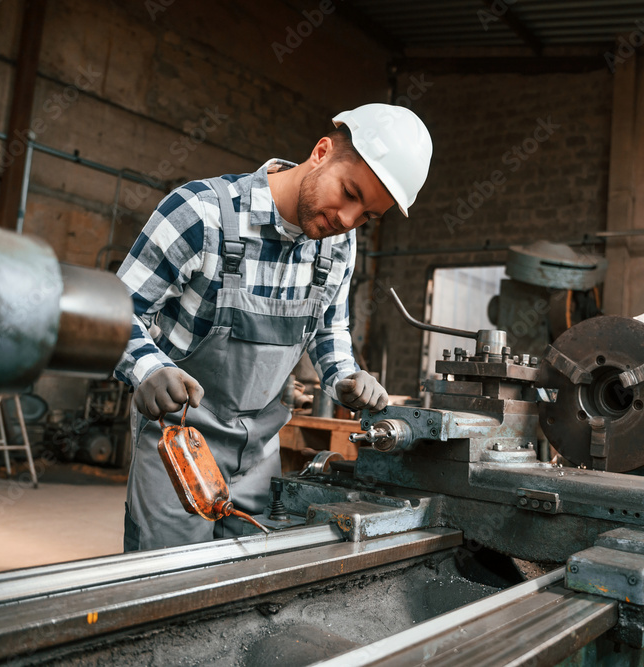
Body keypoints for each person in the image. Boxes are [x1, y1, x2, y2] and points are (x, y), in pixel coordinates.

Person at [114, 103, 433, 551]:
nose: (347, 218)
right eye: (349, 192)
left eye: (365, 215)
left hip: (262, 451)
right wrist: (147, 369)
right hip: (180, 446)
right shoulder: (200, 214)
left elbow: (330, 331)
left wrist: (346, 376)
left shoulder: (338, 245)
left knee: (251, 585)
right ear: (321, 152)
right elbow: (115, 312)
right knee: (166, 587)